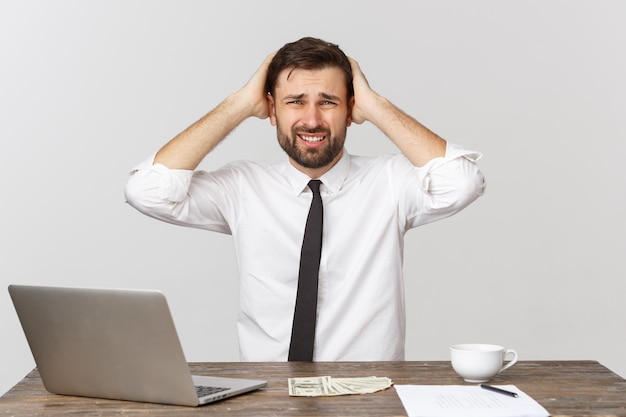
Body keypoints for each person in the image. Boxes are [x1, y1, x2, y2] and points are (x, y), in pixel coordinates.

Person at [125, 37, 485, 362]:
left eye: (328, 102)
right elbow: (146, 192)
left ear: (349, 109)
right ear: (272, 109)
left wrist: (377, 107)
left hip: (369, 398)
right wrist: (237, 105)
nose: (312, 120)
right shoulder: (242, 188)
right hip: (268, 399)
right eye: (295, 102)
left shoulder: (389, 182)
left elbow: (463, 183)